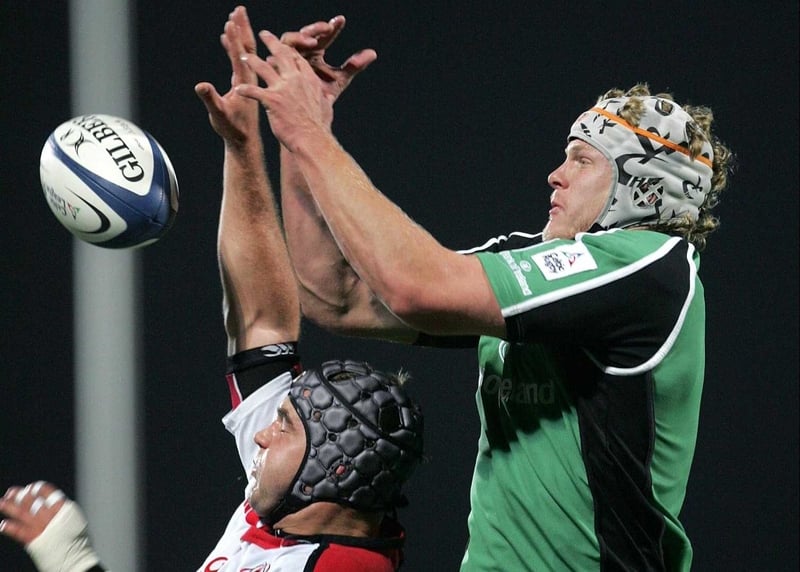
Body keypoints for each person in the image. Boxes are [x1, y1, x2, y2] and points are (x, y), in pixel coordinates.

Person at [233, 16, 734, 572]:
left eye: (583, 160)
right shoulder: (541, 262)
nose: (555, 174)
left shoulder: (649, 270)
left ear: (640, 184)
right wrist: (301, 140)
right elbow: (337, 296)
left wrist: (310, 133)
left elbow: (415, 288)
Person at [0, 7, 423, 572]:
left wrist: (71, 561)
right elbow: (263, 324)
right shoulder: (297, 497)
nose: (263, 438)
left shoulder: (336, 566)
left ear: (336, 470)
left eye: (284, 426)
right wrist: (244, 140)